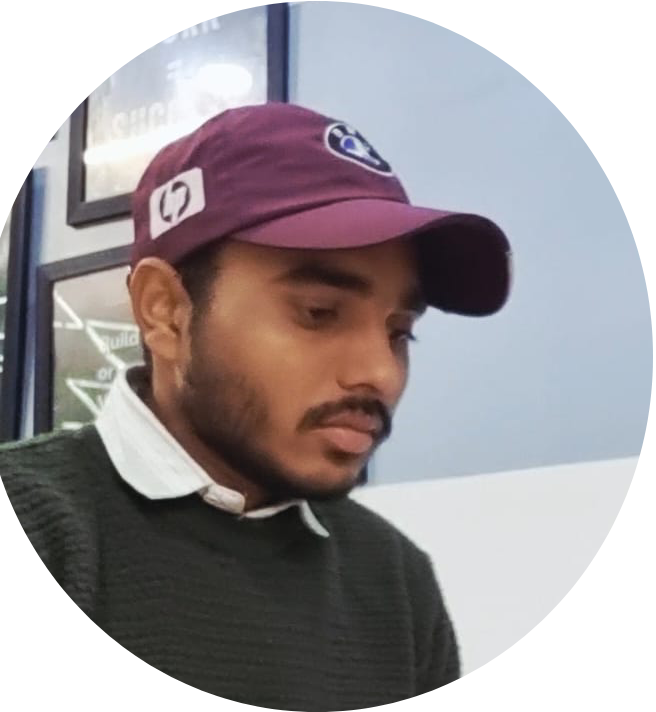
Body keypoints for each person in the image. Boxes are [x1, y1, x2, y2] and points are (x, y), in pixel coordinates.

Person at [1, 102, 512, 709]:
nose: (380, 373)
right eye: (319, 313)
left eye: (400, 332)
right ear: (166, 312)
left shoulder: (396, 579)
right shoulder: (42, 524)